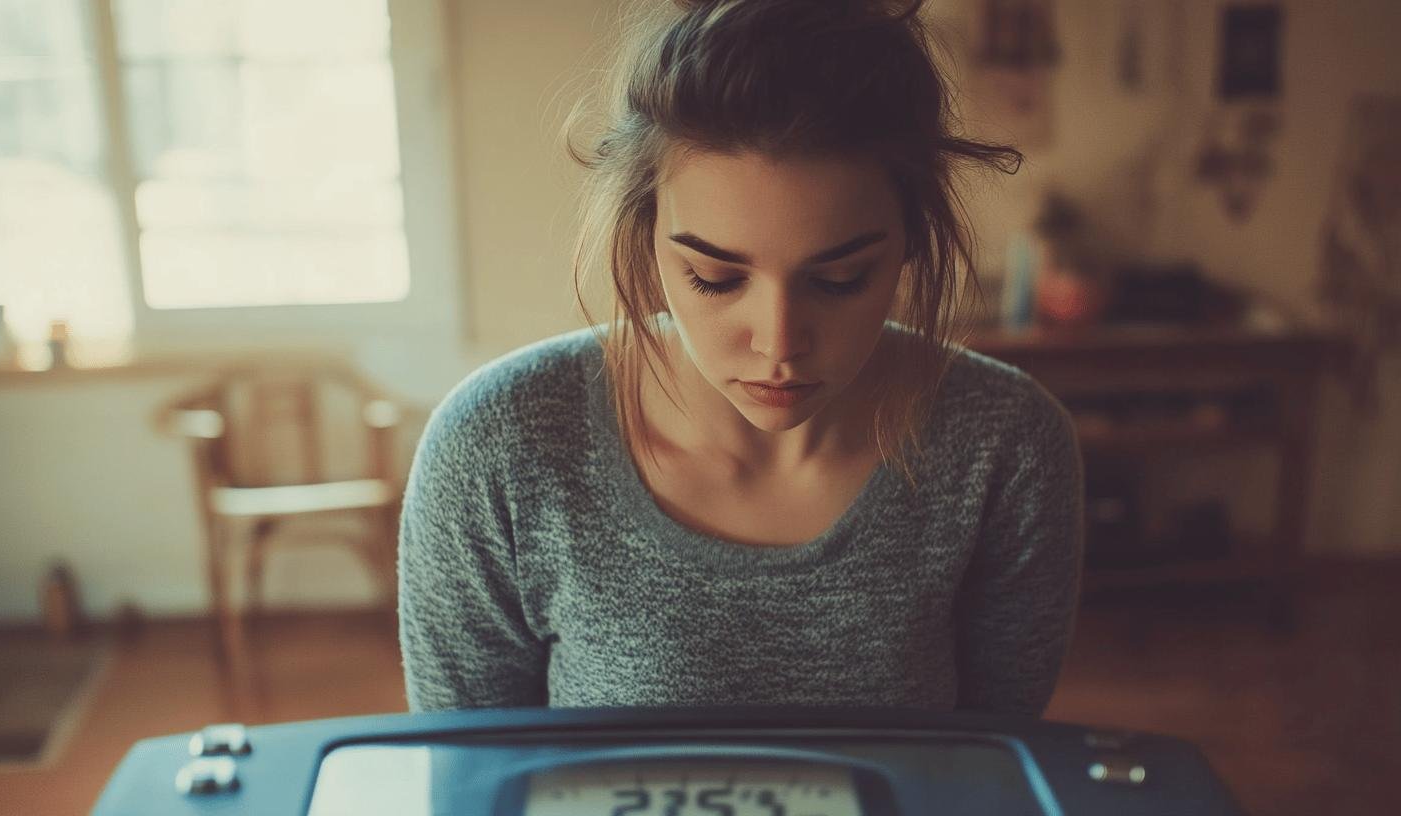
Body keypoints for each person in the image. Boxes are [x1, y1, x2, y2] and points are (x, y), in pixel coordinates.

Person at [399, 0, 1083, 715]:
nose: (780, 343)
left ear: (912, 238)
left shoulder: (1006, 445)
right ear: (647, 233)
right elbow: (466, 773)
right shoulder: (498, 447)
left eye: (840, 279)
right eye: (716, 278)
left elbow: (995, 764)